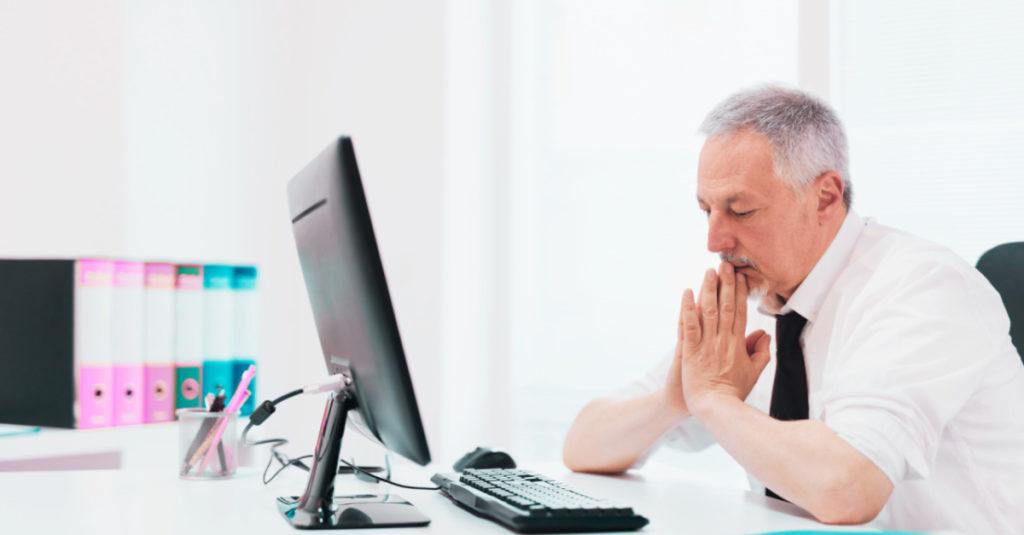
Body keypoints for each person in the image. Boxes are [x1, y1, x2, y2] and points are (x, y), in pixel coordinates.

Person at [562, 85, 1024, 533]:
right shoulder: (757, 294)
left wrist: (715, 401)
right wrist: (675, 400)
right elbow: (583, 447)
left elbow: (848, 490)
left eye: (740, 211)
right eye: (707, 211)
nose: (714, 241)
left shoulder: (922, 288)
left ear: (825, 196)